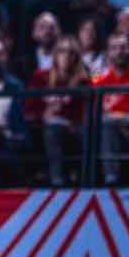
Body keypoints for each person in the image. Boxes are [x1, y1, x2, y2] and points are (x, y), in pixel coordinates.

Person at [26, 36, 88, 186]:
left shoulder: (84, 81)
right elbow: (29, 109)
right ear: (55, 55)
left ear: (77, 57)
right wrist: (44, 114)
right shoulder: (40, 77)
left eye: (71, 52)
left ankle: (76, 178)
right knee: (52, 129)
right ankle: (57, 180)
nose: (66, 56)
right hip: (44, 129)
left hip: (74, 130)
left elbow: (85, 111)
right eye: (62, 51)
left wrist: (66, 116)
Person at [93, 33, 129, 185]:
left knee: (109, 121)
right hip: (115, 134)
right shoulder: (101, 80)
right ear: (108, 53)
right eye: (114, 48)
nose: (119, 51)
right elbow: (95, 112)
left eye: (124, 47)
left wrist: (122, 118)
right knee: (105, 123)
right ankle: (111, 179)